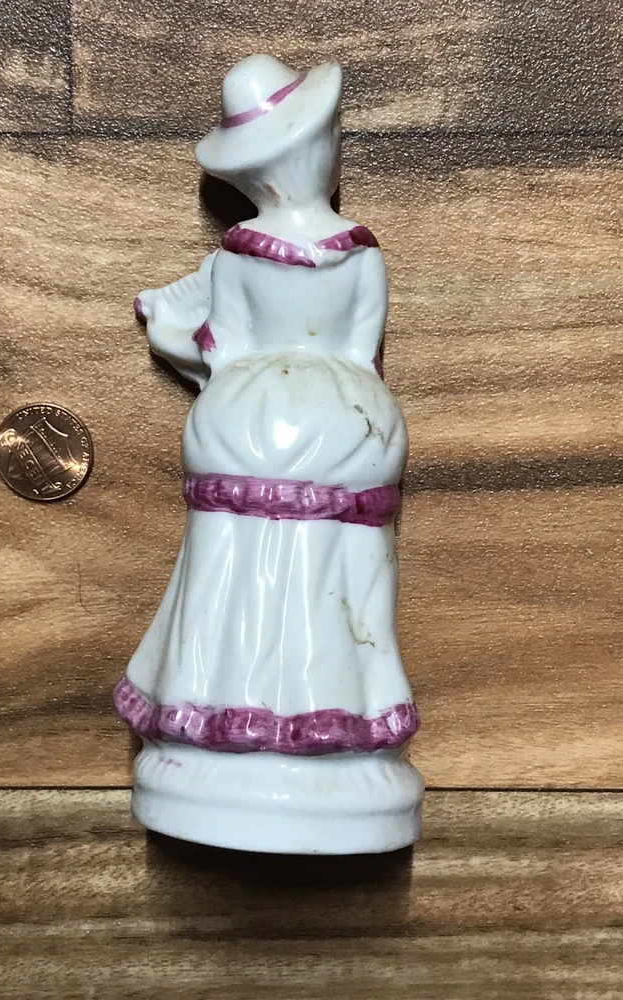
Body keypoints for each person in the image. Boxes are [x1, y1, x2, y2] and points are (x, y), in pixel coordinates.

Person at [116, 55, 422, 853]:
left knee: (235, 556)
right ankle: (339, 716)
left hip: (250, 418)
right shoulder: (362, 254)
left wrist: (170, 332)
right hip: (347, 422)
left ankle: (216, 708)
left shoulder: (237, 257)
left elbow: (224, 352)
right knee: (341, 566)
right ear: (316, 151)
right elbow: (363, 358)